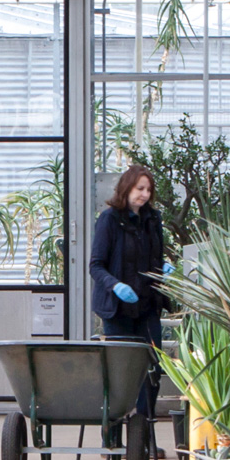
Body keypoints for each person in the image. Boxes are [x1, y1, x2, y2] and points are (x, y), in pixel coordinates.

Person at [89, 164, 169, 422]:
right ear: (127, 188)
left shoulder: (153, 220)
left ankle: (142, 430)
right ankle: (111, 433)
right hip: (118, 308)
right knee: (119, 371)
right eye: (139, 188)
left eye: (148, 190)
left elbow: (156, 257)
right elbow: (96, 265)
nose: (144, 194)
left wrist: (164, 267)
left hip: (147, 305)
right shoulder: (110, 219)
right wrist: (116, 286)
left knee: (152, 366)